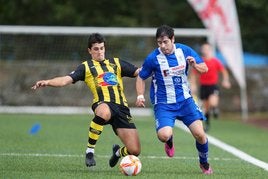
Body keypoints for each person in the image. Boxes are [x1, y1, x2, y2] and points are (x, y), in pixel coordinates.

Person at [31, 33, 141, 168]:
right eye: (96, 49)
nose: (100, 52)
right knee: (104, 112)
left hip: (122, 108)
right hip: (102, 103)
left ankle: (117, 153)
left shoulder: (117, 63)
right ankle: (90, 151)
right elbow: (66, 79)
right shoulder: (86, 67)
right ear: (89, 50)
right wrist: (47, 82)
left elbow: (139, 72)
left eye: (102, 48)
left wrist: (154, 67)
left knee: (135, 151)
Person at [135, 25, 213, 175]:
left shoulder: (184, 51)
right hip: (163, 104)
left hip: (185, 101)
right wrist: (140, 95)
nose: (162, 46)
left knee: (200, 134)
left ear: (173, 39)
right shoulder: (153, 58)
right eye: (159, 42)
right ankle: (169, 140)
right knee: (163, 135)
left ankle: (204, 163)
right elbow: (141, 77)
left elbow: (205, 68)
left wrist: (195, 65)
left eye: (165, 42)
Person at [190, 42, 231, 131]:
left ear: (210, 50)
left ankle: (215, 109)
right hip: (203, 87)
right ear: (202, 50)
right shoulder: (200, 61)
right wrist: (193, 85)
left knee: (213, 103)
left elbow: (224, 71)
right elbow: (194, 74)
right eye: (204, 49)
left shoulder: (215, 61)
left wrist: (226, 80)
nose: (205, 50)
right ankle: (207, 124)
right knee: (206, 108)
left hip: (213, 86)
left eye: (207, 49)